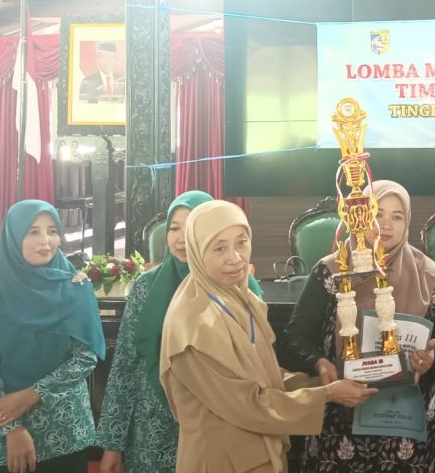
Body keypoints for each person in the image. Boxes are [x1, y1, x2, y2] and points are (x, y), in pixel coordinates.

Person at [159, 200, 375, 472]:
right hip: (218, 461)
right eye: (219, 248)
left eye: (242, 242)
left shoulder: (239, 298)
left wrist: (316, 382)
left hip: (259, 454)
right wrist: (326, 395)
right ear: (196, 251)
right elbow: (248, 404)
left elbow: (263, 375)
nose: (236, 257)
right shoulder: (192, 326)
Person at [279, 180, 435, 472]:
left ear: (407, 222)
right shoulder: (330, 271)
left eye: (397, 216)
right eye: (377, 214)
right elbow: (293, 339)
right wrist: (319, 364)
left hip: (407, 427)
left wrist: (432, 358)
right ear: (359, 217)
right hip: (343, 417)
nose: (385, 225)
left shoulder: (428, 274)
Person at [0, 200, 106, 473]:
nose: (45, 241)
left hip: (64, 428)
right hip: (0, 426)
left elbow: (85, 356)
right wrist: (11, 428)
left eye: (52, 231)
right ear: (13, 236)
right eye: (33, 231)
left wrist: (32, 394)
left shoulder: (76, 287)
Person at [97, 191, 212, 473]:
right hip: (152, 428)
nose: (180, 238)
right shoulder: (147, 286)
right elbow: (125, 365)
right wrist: (112, 444)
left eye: (191, 227)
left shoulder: (231, 286)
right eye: (174, 228)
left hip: (212, 424)